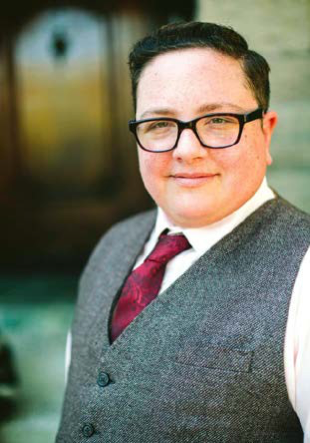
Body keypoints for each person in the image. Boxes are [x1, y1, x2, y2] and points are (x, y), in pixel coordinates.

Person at [56, 22, 310, 442]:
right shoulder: (113, 243)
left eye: (218, 120)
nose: (187, 150)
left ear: (266, 132)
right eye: (159, 124)